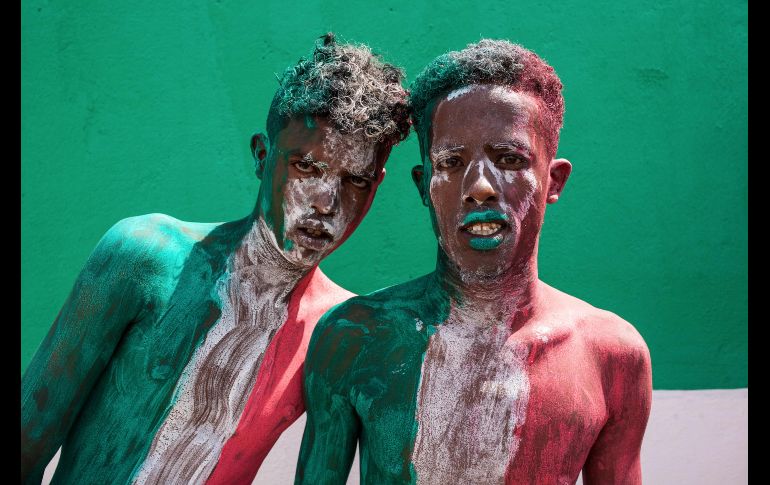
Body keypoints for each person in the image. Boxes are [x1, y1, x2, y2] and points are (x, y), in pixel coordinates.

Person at [21, 33, 410, 485]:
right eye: (307, 167)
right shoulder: (145, 256)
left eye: (355, 181)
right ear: (263, 157)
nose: (326, 202)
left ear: (376, 186)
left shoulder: (340, 332)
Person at [296, 39, 652, 485]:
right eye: (452, 161)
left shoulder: (611, 355)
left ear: (552, 180)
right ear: (424, 184)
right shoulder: (354, 337)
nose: (480, 186)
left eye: (508, 159)